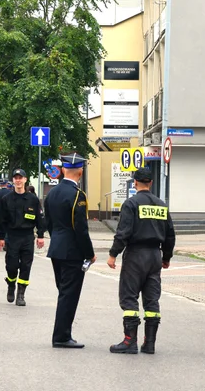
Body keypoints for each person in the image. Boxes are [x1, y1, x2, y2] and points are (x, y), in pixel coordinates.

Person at [106, 166, 175, 355]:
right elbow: (170, 235)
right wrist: (166, 257)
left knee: (129, 298)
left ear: (135, 182)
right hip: (155, 256)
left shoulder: (131, 204)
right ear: (151, 183)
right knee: (152, 300)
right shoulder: (161, 205)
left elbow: (123, 232)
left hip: (136, 255)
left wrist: (113, 254)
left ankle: (130, 341)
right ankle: (149, 343)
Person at [44, 152, 94, 348]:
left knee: (63, 292)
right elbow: (80, 228)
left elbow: (48, 222)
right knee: (69, 294)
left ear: (63, 170)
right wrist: (89, 253)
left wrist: (56, 239)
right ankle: (62, 336)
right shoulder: (77, 195)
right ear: (80, 172)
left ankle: (62, 334)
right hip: (73, 252)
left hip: (56, 248)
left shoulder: (51, 194)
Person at [0, 168, 46, 305]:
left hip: (27, 237)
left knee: (26, 266)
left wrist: (40, 235)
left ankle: (21, 294)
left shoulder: (33, 199)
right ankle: (11, 284)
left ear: (25, 180)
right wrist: (1, 238)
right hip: (12, 236)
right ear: (13, 180)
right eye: (15, 178)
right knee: (11, 266)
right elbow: (1, 220)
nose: (18, 180)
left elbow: (40, 218)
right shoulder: (6, 199)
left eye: (20, 178)